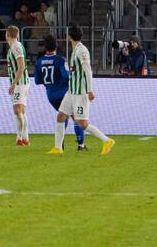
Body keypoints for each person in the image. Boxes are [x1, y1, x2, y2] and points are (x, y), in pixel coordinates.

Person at [48, 26, 115, 155]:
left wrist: (90, 90)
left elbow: (87, 70)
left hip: (80, 92)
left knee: (82, 123)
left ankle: (107, 140)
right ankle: (58, 148)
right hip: (71, 91)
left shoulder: (82, 50)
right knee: (61, 116)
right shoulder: (76, 50)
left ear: (69, 37)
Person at [34, 35, 86, 151]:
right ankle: (81, 145)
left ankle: (60, 144)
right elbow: (67, 77)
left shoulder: (39, 61)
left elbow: (37, 81)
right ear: (56, 45)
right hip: (63, 93)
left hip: (51, 96)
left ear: (45, 47)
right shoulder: (61, 60)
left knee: (63, 116)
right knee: (76, 117)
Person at [0, 25, 30, 146]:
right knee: (21, 111)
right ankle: (25, 138)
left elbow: (21, 67)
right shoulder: (13, 48)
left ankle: (20, 138)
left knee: (17, 110)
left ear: (8, 34)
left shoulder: (16, 47)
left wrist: (14, 84)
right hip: (19, 82)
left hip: (20, 83)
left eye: (6, 33)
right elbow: (13, 68)